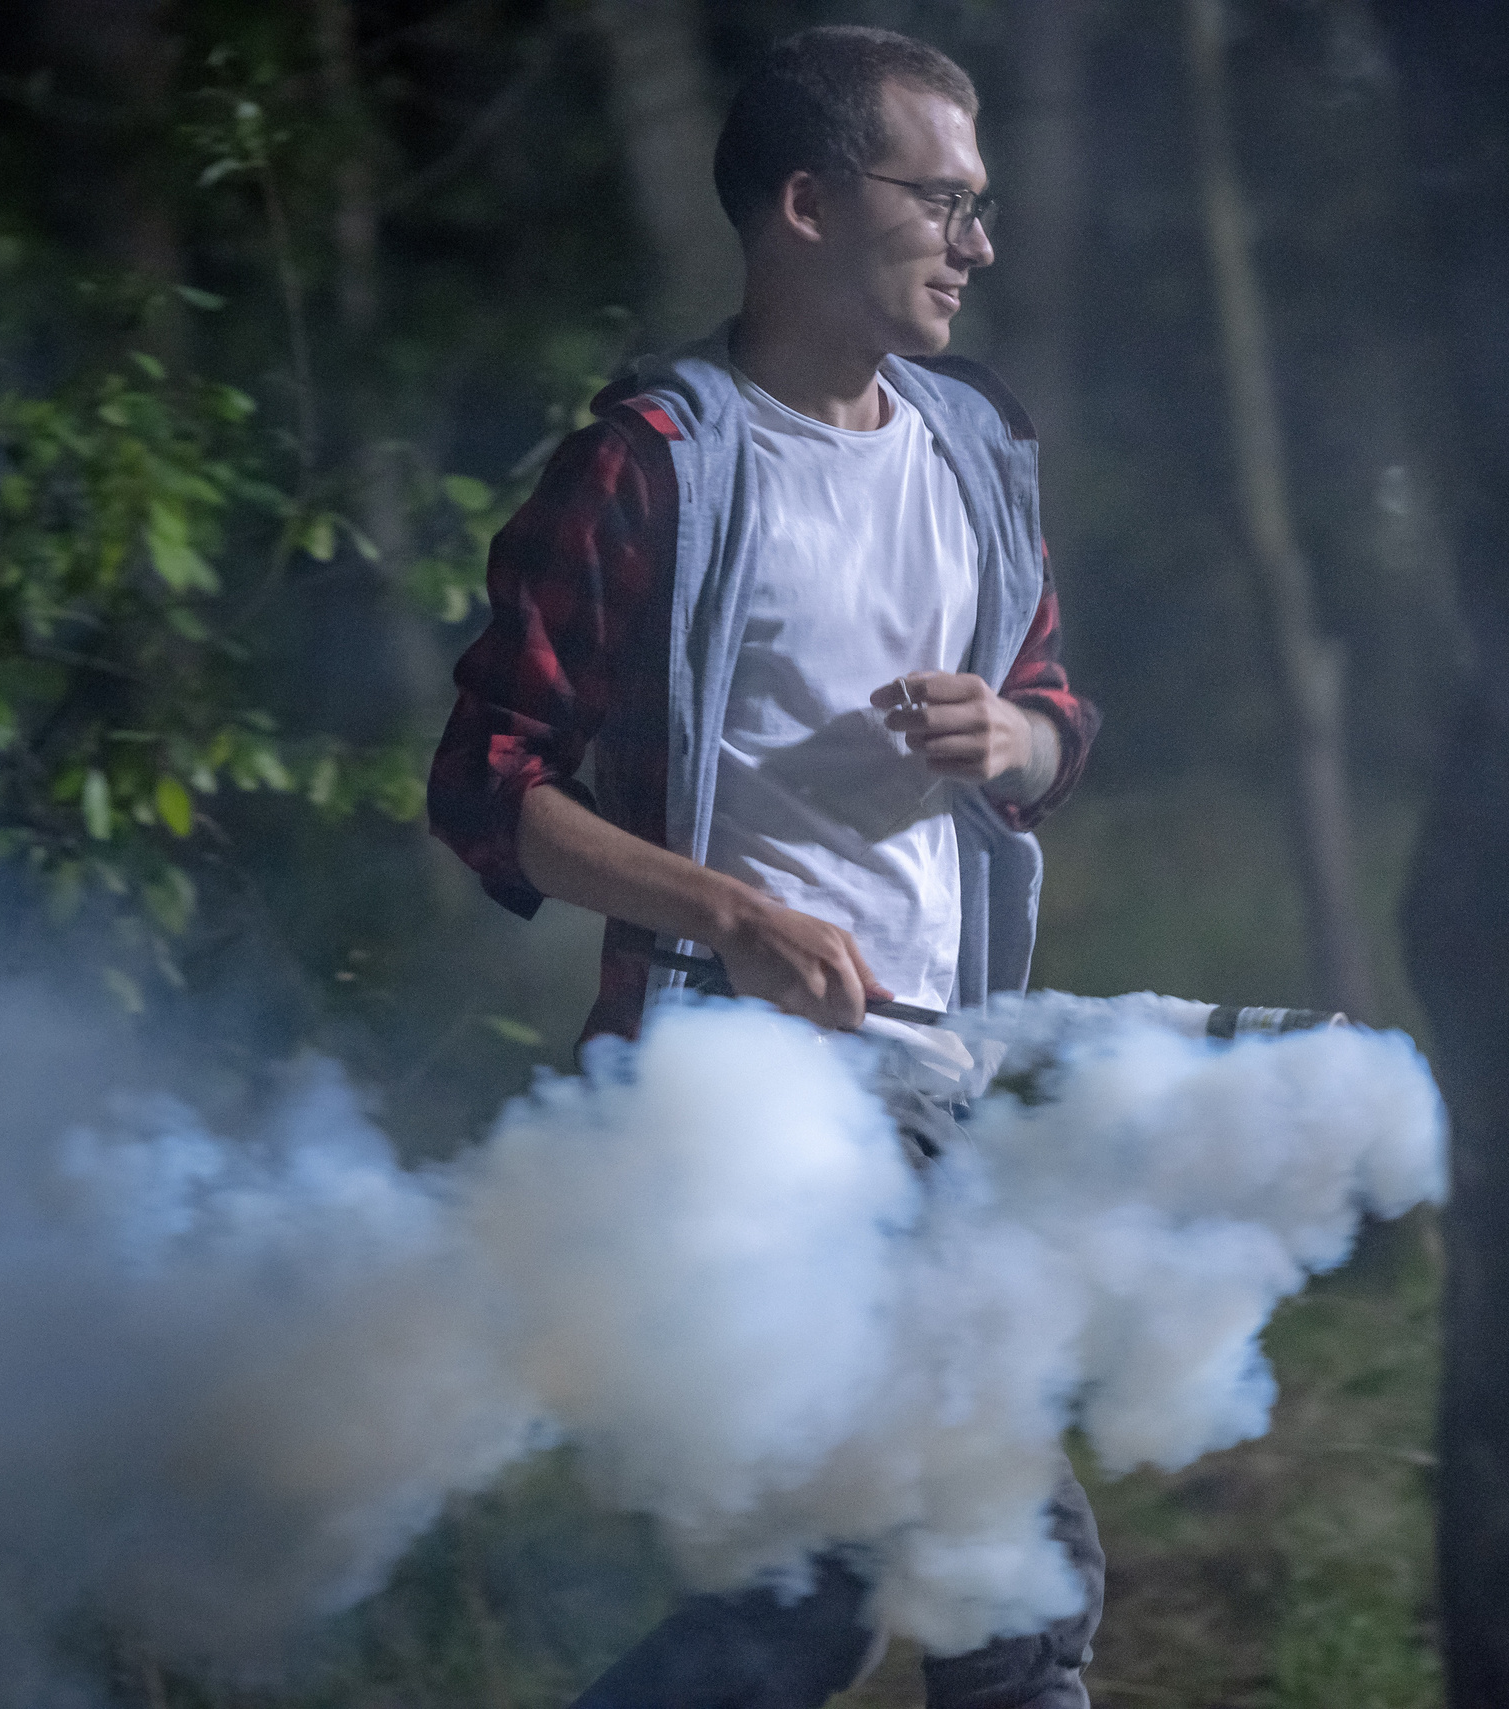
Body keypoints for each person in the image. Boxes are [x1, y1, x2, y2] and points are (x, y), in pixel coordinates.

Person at [428, 24, 1104, 1709]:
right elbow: (483, 783)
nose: (980, 241)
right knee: (1005, 1570)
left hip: (947, 1075)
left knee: (815, 1599)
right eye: (940, 199)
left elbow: (1055, 712)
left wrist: (1007, 743)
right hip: (749, 1106)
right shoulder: (654, 462)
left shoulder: (976, 448)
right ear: (804, 203)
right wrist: (728, 913)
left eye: (984, 203)